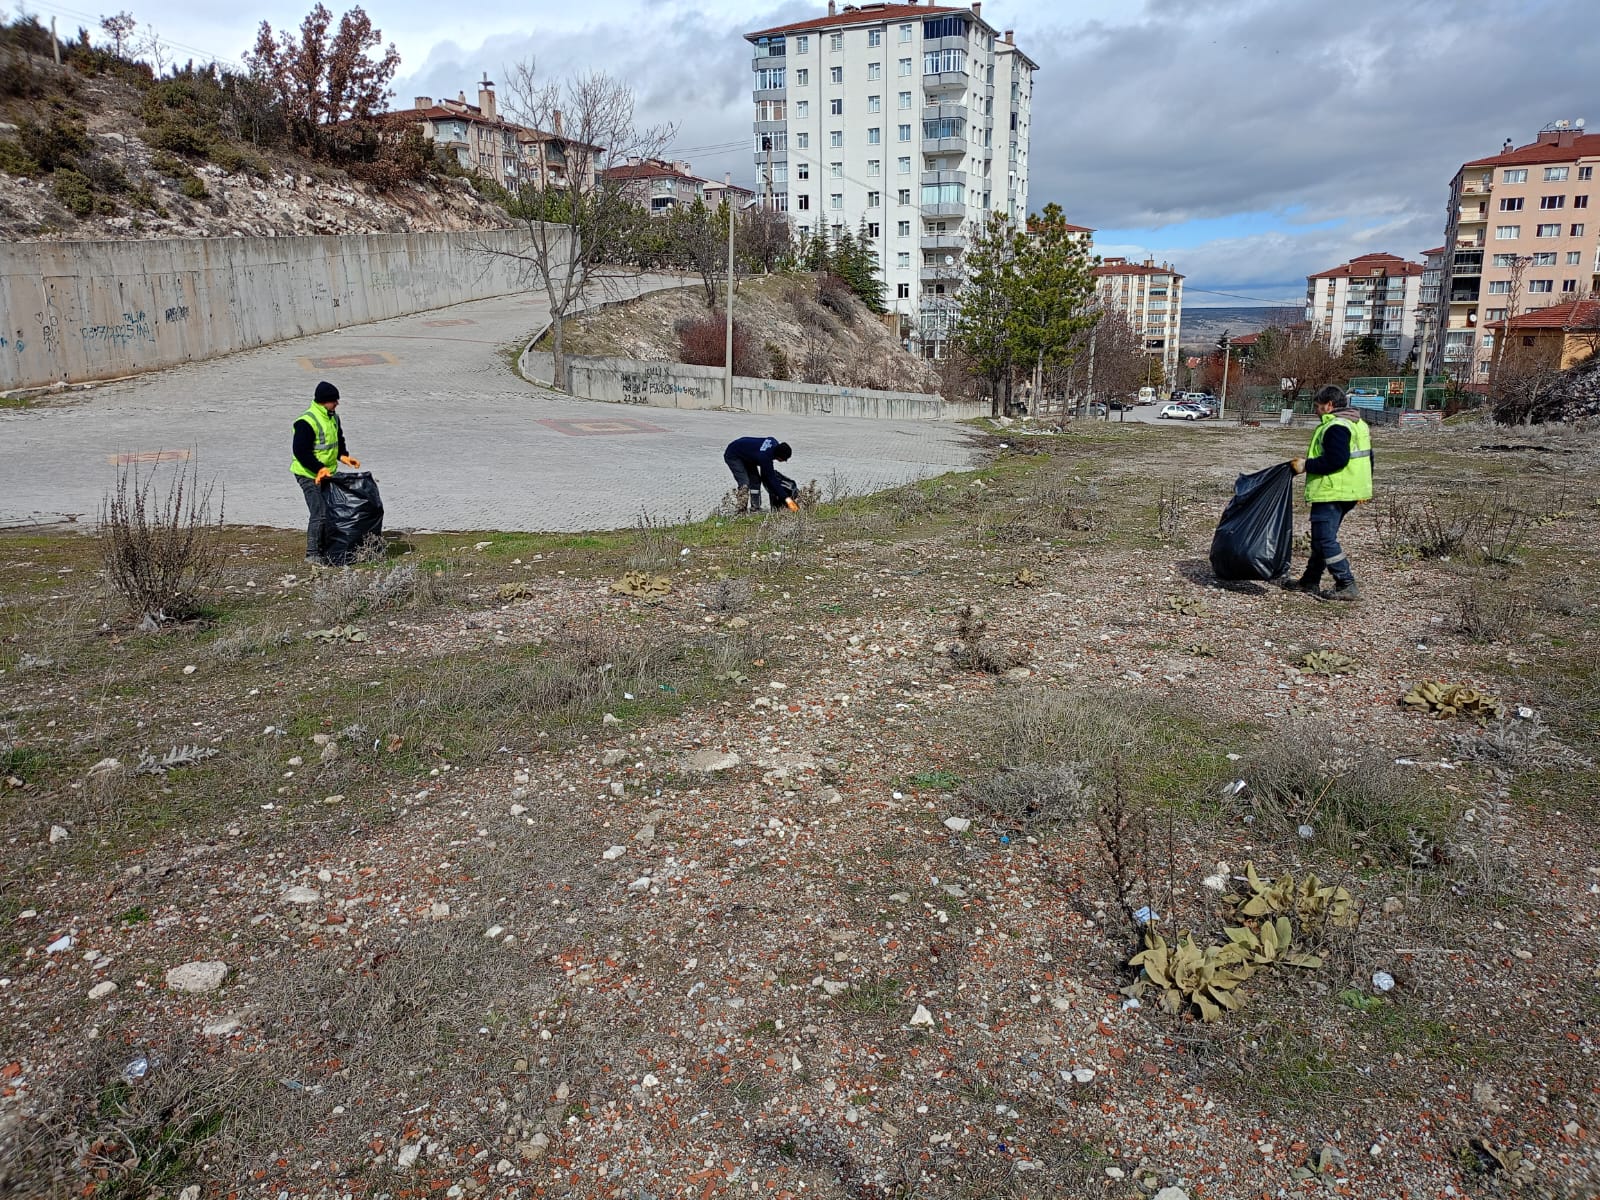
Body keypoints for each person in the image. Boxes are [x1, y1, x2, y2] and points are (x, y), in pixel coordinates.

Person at [1280, 384, 1372, 601]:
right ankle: (1310, 581)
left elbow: (1336, 460)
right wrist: (1360, 488)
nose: (1316, 410)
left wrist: (1306, 466)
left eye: (1318, 406)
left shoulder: (1335, 427)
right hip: (1348, 490)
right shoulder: (1358, 425)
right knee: (1321, 540)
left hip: (1332, 491)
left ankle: (1346, 582)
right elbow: (1368, 459)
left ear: (1329, 405)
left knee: (1324, 539)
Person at [290, 381, 360, 566]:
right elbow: (300, 451)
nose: (337, 403)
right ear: (323, 401)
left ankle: (325, 549)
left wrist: (344, 456)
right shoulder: (306, 421)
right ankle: (312, 554)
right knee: (319, 512)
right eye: (333, 400)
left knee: (330, 511)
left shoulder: (333, 418)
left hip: (326, 473)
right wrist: (318, 468)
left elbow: (338, 439)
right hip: (307, 474)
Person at [723, 435, 796, 513]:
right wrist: (787, 499)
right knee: (744, 483)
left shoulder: (774, 443)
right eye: (784, 459)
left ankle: (755, 508)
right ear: (779, 457)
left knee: (756, 481)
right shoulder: (765, 457)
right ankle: (741, 511)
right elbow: (771, 478)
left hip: (747, 455)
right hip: (733, 455)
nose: (784, 461)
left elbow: (766, 476)